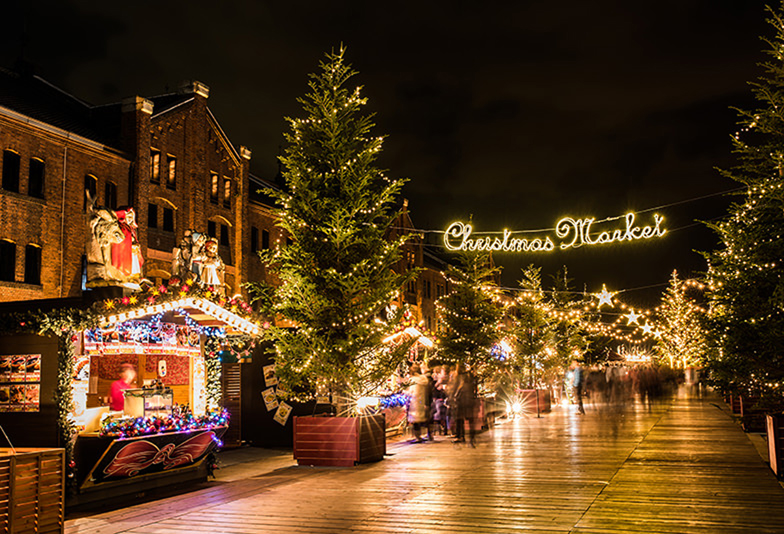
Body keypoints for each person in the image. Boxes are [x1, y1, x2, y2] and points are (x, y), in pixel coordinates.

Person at [407, 363, 429, 443]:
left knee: (415, 421)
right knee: (419, 420)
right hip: (421, 401)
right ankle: (421, 435)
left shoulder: (413, 380)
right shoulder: (423, 379)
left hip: (414, 402)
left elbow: (412, 392)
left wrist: (406, 392)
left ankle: (417, 437)